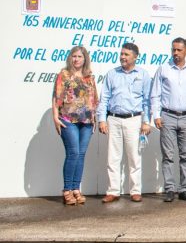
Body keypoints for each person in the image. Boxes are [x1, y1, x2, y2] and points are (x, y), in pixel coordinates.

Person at [97, 43, 152, 203]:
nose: (122, 57)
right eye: (121, 54)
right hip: (113, 119)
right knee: (113, 158)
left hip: (134, 120)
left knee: (134, 157)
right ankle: (113, 191)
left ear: (135, 57)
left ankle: (135, 191)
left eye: (126, 54)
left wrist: (146, 121)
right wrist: (102, 119)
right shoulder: (112, 74)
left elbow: (147, 100)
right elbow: (104, 99)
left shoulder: (143, 75)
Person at [151, 37, 186, 203]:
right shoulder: (164, 69)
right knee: (168, 155)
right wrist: (156, 115)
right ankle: (169, 189)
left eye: (179, 50)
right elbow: (155, 94)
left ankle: (184, 189)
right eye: (173, 49)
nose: (175, 53)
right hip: (168, 116)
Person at [52, 46, 99, 205]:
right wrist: (55, 118)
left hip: (86, 122)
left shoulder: (89, 77)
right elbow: (56, 97)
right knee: (73, 153)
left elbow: (94, 99)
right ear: (70, 58)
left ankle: (76, 189)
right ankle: (67, 190)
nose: (77, 59)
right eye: (74, 56)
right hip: (67, 119)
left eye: (80, 56)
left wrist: (94, 119)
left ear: (85, 59)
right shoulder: (64, 75)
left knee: (81, 155)